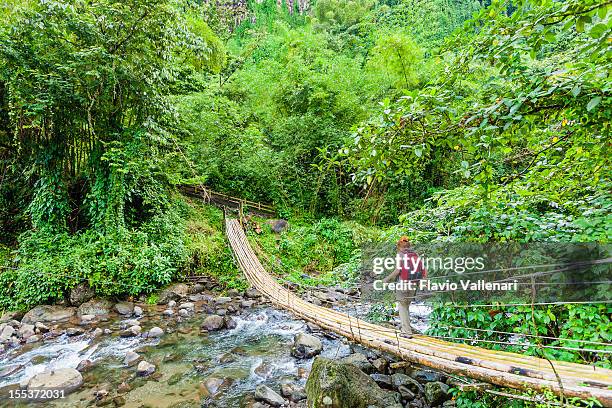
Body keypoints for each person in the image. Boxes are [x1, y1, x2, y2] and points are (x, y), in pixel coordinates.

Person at [382, 236, 427, 338]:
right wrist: (423, 281)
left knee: (402, 307)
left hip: (403, 284)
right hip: (413, 283)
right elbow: (423, 269)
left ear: (399, 246)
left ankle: (406, 332)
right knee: (406, 306)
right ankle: (407, 329)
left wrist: (386, 279)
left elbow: (397, 271)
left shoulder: (400, 255)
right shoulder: (415, 254)